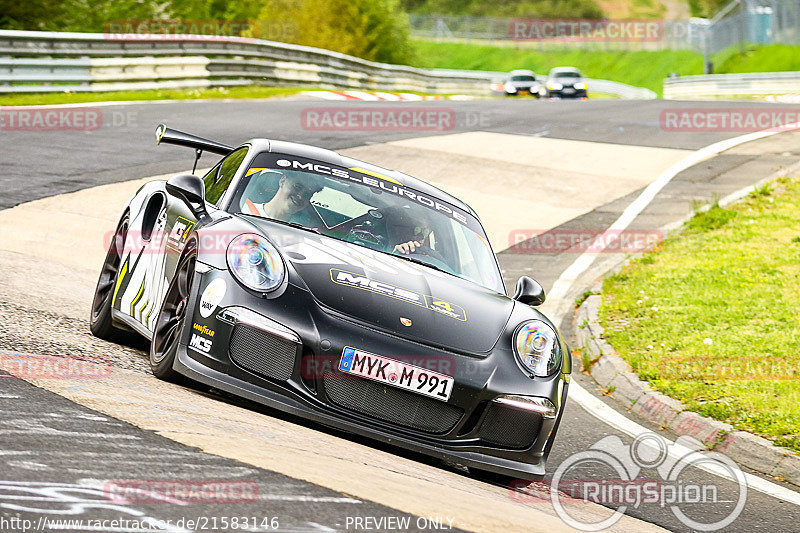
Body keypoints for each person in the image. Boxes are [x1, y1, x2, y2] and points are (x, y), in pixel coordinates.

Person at [243, 172, 322, 222]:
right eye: (297, 187)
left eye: (306, 194)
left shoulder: (303, 233)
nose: (300, 196)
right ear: (282, 181)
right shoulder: (244, 211)